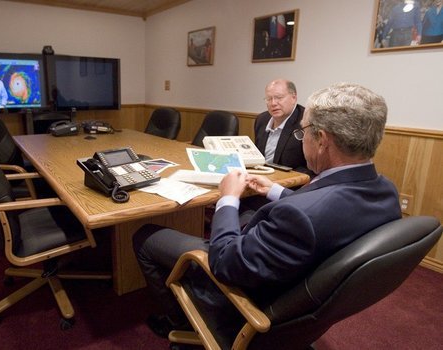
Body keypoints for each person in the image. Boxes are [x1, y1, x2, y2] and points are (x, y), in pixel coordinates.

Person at [133, 82, 402, 339]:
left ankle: (179, 319)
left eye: (303, 131)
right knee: (248, 214)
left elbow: (224, 262)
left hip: (253, 298)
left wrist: (228, 199)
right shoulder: (386, 192)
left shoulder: (301, 218)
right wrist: (273, 190)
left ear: (321, 139)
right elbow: (326, 208)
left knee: (145, 236)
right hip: (300, 281)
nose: (302, 136)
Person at [254, 79, 311, 175]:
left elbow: (310, 168)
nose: (273, 103)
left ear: (294, 98)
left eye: (279, 98)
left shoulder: (306, 121)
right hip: (262, 177)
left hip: (292, 183)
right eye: (269, 99)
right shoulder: (261, 119)